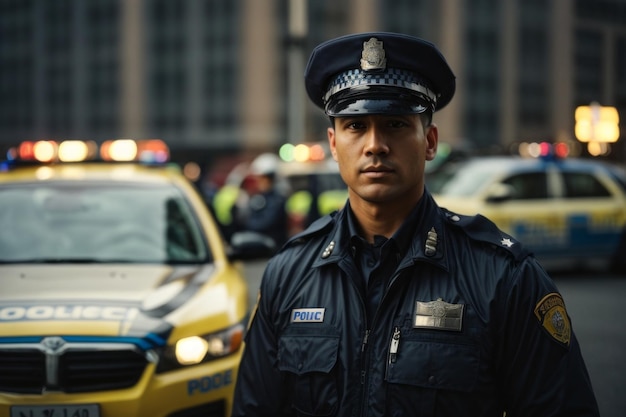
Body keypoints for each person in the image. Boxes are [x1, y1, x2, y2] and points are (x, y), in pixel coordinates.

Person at [232, 32, 599, 416]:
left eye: (395, 124)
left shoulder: (505, 278)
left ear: (430, 141)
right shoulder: (288, 273)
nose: (374, 144)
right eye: (355, 126)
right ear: (334, 143)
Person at [231, 152, 289, 249]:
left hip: (273, 249)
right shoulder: (259, 197)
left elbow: (264, 224)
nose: (259, 181)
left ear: (272, 179)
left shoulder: (277, 200)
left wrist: (245, 222)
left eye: (263, 178)